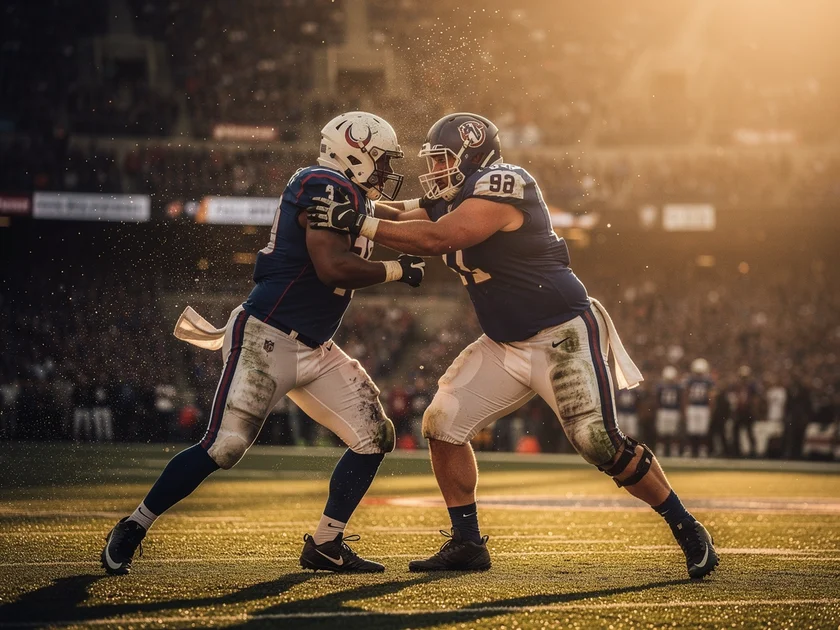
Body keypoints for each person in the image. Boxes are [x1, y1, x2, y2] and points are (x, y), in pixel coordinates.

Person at [307, 112, 719, 580]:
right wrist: (345, 199)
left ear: (473, 154)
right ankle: (466, 543)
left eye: (444, 159)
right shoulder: (455, 194)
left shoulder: (506, 183)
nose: (437, 169)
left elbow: (443, 237)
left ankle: (687, 527)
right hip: (504, 343)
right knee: (442, 424)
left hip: (560, 334)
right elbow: (401, 213)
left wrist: (356, 221)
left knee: (599, 443)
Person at [100, 112, 426, 576]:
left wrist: (447, 206)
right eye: (381, 161)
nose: (385, 172)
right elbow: (331, 266)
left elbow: (402, 214)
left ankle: (326, 545)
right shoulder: (321, 182)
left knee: (374, 436)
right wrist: (398, 270)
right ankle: (135, 524)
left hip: (315, 347)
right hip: (267, 338)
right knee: (223, 447)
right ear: (355, 152)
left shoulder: (350, 194)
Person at [684, 358, 714, 457]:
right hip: (699, 407)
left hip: (698, 407)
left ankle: (697, 450)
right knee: (695, 430)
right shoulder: (707, 381)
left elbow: (686, 395)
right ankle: (697, 450)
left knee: (700, 430)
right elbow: (710, 397)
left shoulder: (690, 380)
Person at [655, 366, 683, 457]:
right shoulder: (677, 387)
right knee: (663, 432)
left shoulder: (662, 386)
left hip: (668, 411)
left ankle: (670, 450)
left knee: (672, 432)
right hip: (668, 411)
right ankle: (664, 450)